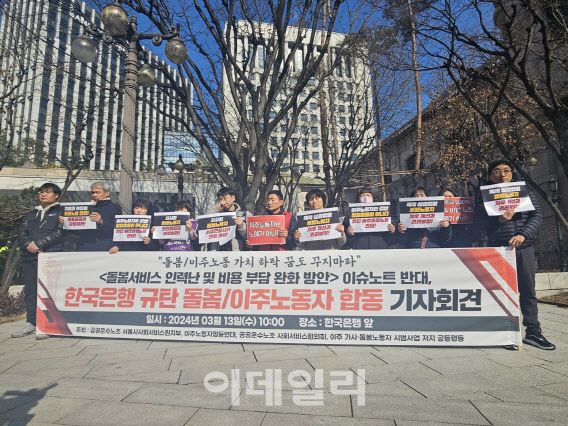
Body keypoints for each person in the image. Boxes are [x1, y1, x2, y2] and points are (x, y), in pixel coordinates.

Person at [474, 159, 555, 350]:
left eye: (506, 170)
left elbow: (537, 216)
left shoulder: (524, 192)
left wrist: (523, 234)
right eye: (497, 171)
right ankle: (507, 332)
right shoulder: (484, 197)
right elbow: (479, 224)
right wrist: (499, 220)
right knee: (501, 292)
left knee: (528, 290)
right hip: (498, 249)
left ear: (512, 174)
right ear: (490, 176)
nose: (502, 175)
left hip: (524, 247)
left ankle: (533, 331)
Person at [12, 183, 64, 339]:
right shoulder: (32, 213)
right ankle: (31, 322)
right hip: (30, 257)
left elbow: (61, 232)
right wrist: (29, 245)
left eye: (47, 192)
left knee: (49, 291)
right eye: (41, 192)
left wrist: (40, 244)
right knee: (31, 290)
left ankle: (49, 324)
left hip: (50, 256)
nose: (43, 194)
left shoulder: (62, 211)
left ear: (56, 195)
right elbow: (22, 232)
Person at [74, 182, 122, 251]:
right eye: (93, 193)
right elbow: (78, 229)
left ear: (107, 193)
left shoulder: (114, 207)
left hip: (104, 245)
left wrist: (102, 222)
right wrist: (67, 222)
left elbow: (118, 229)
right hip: (84, 245)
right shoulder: (87, 207)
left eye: (98, 192)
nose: (94, 195)